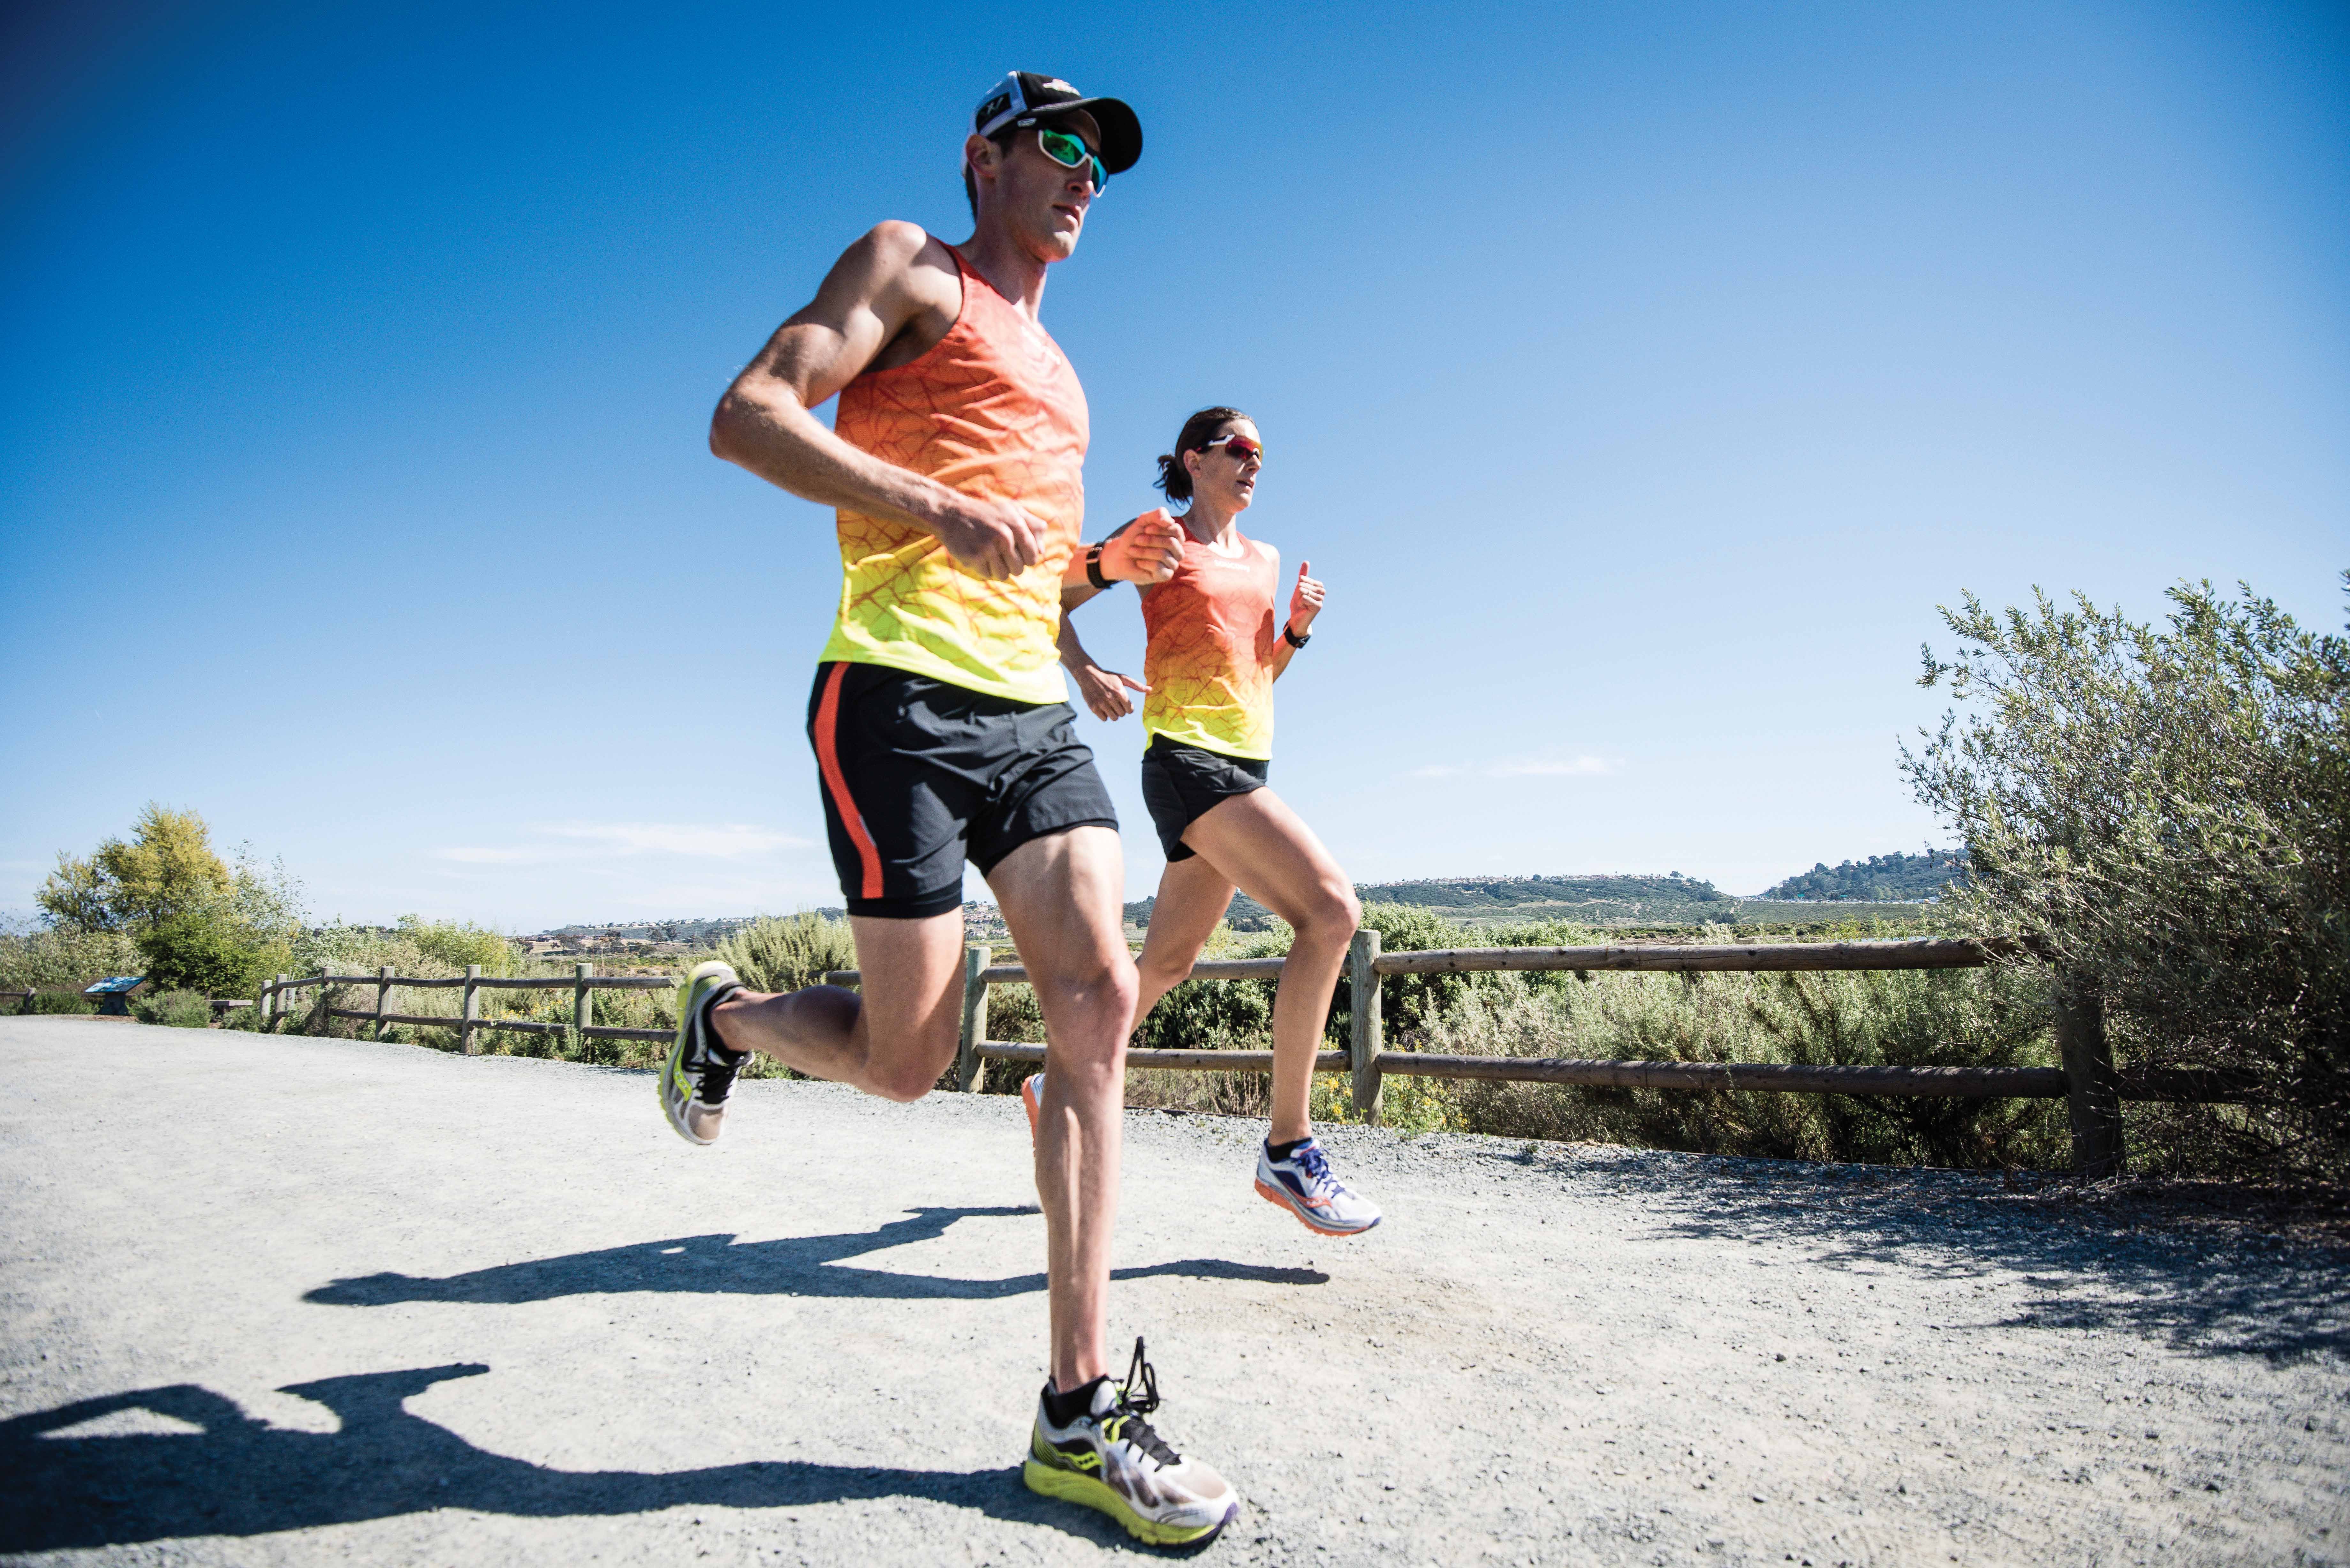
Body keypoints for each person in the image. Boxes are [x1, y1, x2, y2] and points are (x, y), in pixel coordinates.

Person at [670, 72, 1234, 1547]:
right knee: (909, 1061)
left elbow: (1026, 568)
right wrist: (925, 507)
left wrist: (1089, 616)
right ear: (984, 156)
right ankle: (728, 1016)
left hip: (1028, 718)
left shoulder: (1067, 372)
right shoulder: (910, 265)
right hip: (895, 704)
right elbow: (747, 417)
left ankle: (1075, 1411)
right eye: (1057, 145)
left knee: (1100, 996)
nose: (1083, 174)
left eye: (1100, 160)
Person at [1042, 408, 1381, 1237]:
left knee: (1167, 961)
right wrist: (1085, 673)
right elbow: (1048, 593)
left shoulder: (1264, 561)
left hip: (1245, 764)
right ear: (1195, 461)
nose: (1254, 464)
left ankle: (1058, 1085)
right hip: (1186, 762)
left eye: (1263, 454)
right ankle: (1289, 1148)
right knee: (1332, 911)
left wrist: (1297, 628)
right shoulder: (1158, 537)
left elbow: (1262, 672)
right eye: (1239, 451)